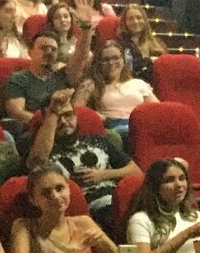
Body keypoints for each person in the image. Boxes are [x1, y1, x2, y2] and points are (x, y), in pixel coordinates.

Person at [26, 89, 138, 223]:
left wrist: (103, 175)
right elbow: (37, 162)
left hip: (117, 199)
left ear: (76, 116)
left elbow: (136, 171)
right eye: (58, 117)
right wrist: (52, 113)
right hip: (82, 210)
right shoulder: (43, 150)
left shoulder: (98, 140)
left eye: (68, 115)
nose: (63, 121)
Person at [0, 28, 91, 127]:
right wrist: (50, 125)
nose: (49, 52)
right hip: (33, 130)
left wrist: (86, 29)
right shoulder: (18, 80)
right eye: (43, 48)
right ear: (30, 52)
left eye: (53, 49)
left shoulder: (62, 76)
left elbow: (81, 56)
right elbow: (17, 113)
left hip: (65, 128)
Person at [82, 41, 157, 137]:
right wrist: (94, 116)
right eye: (105, 59)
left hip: (140, 128)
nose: (111, 63)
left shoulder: (138, 83)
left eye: (116, 58)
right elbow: (78, 110)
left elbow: (157, 110)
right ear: (99, 63)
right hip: (110, 130)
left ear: (123, 60)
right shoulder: (92, 84)